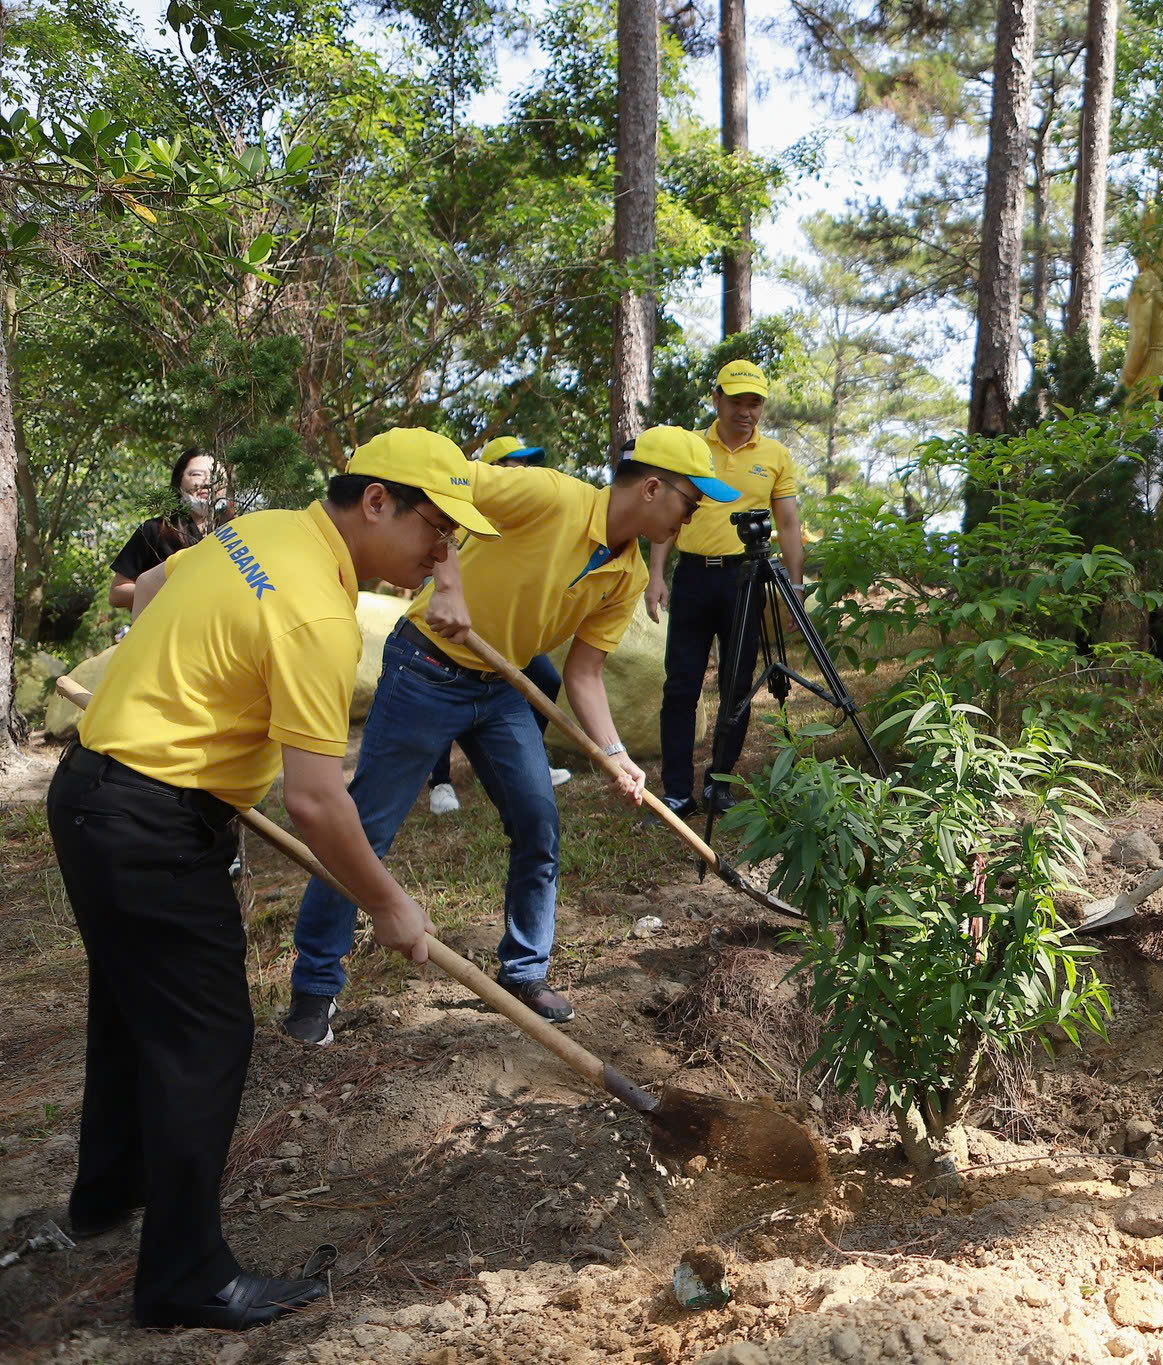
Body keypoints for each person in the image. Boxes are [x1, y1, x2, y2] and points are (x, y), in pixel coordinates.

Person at [49, 432, 493, 1329]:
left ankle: (107, 1193)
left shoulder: (257, 536)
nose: (442, 553)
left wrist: (177, 690)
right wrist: (391, 904)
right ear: (377, 502)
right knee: (205, 1041)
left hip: (93, 793)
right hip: (151, 824)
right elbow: (319, 802)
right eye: (436, 530)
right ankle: (185, 1276)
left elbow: (164, 587)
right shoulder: (316, 614)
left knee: (133, 1011)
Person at [286, 427, 738, 1041]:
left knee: (537, 821)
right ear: (654, 487)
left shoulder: (626, 573)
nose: (693, 517)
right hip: (426, 665)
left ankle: (524, 970)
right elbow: (434, 492)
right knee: (363, 827)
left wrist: (615, 754)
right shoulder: (548, 496)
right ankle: (314, 987)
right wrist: (446, 586)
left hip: (501, 690)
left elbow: (583, 675)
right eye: (691, 501)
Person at [645, 359, 805, 819]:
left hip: (747, 581)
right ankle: (676, 791)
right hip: (693, 576)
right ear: (717, 399)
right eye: (737, 401)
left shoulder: (776, 455)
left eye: (754, 403)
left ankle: (720, 784)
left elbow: (789, 524)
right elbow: (668, 517)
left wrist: (795, 586)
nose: (746, 411)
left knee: (736, 687)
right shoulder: (692, 447)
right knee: (680, 686)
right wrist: (657, 574)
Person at [427, 437, 569, 816]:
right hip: (458, 629)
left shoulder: (533, 517)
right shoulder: (470, 513)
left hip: (506, 632)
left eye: (526, 464)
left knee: (547, 682)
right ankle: (439, 782)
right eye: (512, 464)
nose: (522, 472)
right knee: (444, 701)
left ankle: (530, 763)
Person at [110, 449, 229, 611]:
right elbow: (117, 593)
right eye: (197, 474)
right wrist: (169, 591)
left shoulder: (236, 531)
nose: (208, 481)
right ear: (178, 482)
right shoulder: (155, 530)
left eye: (216, 475)